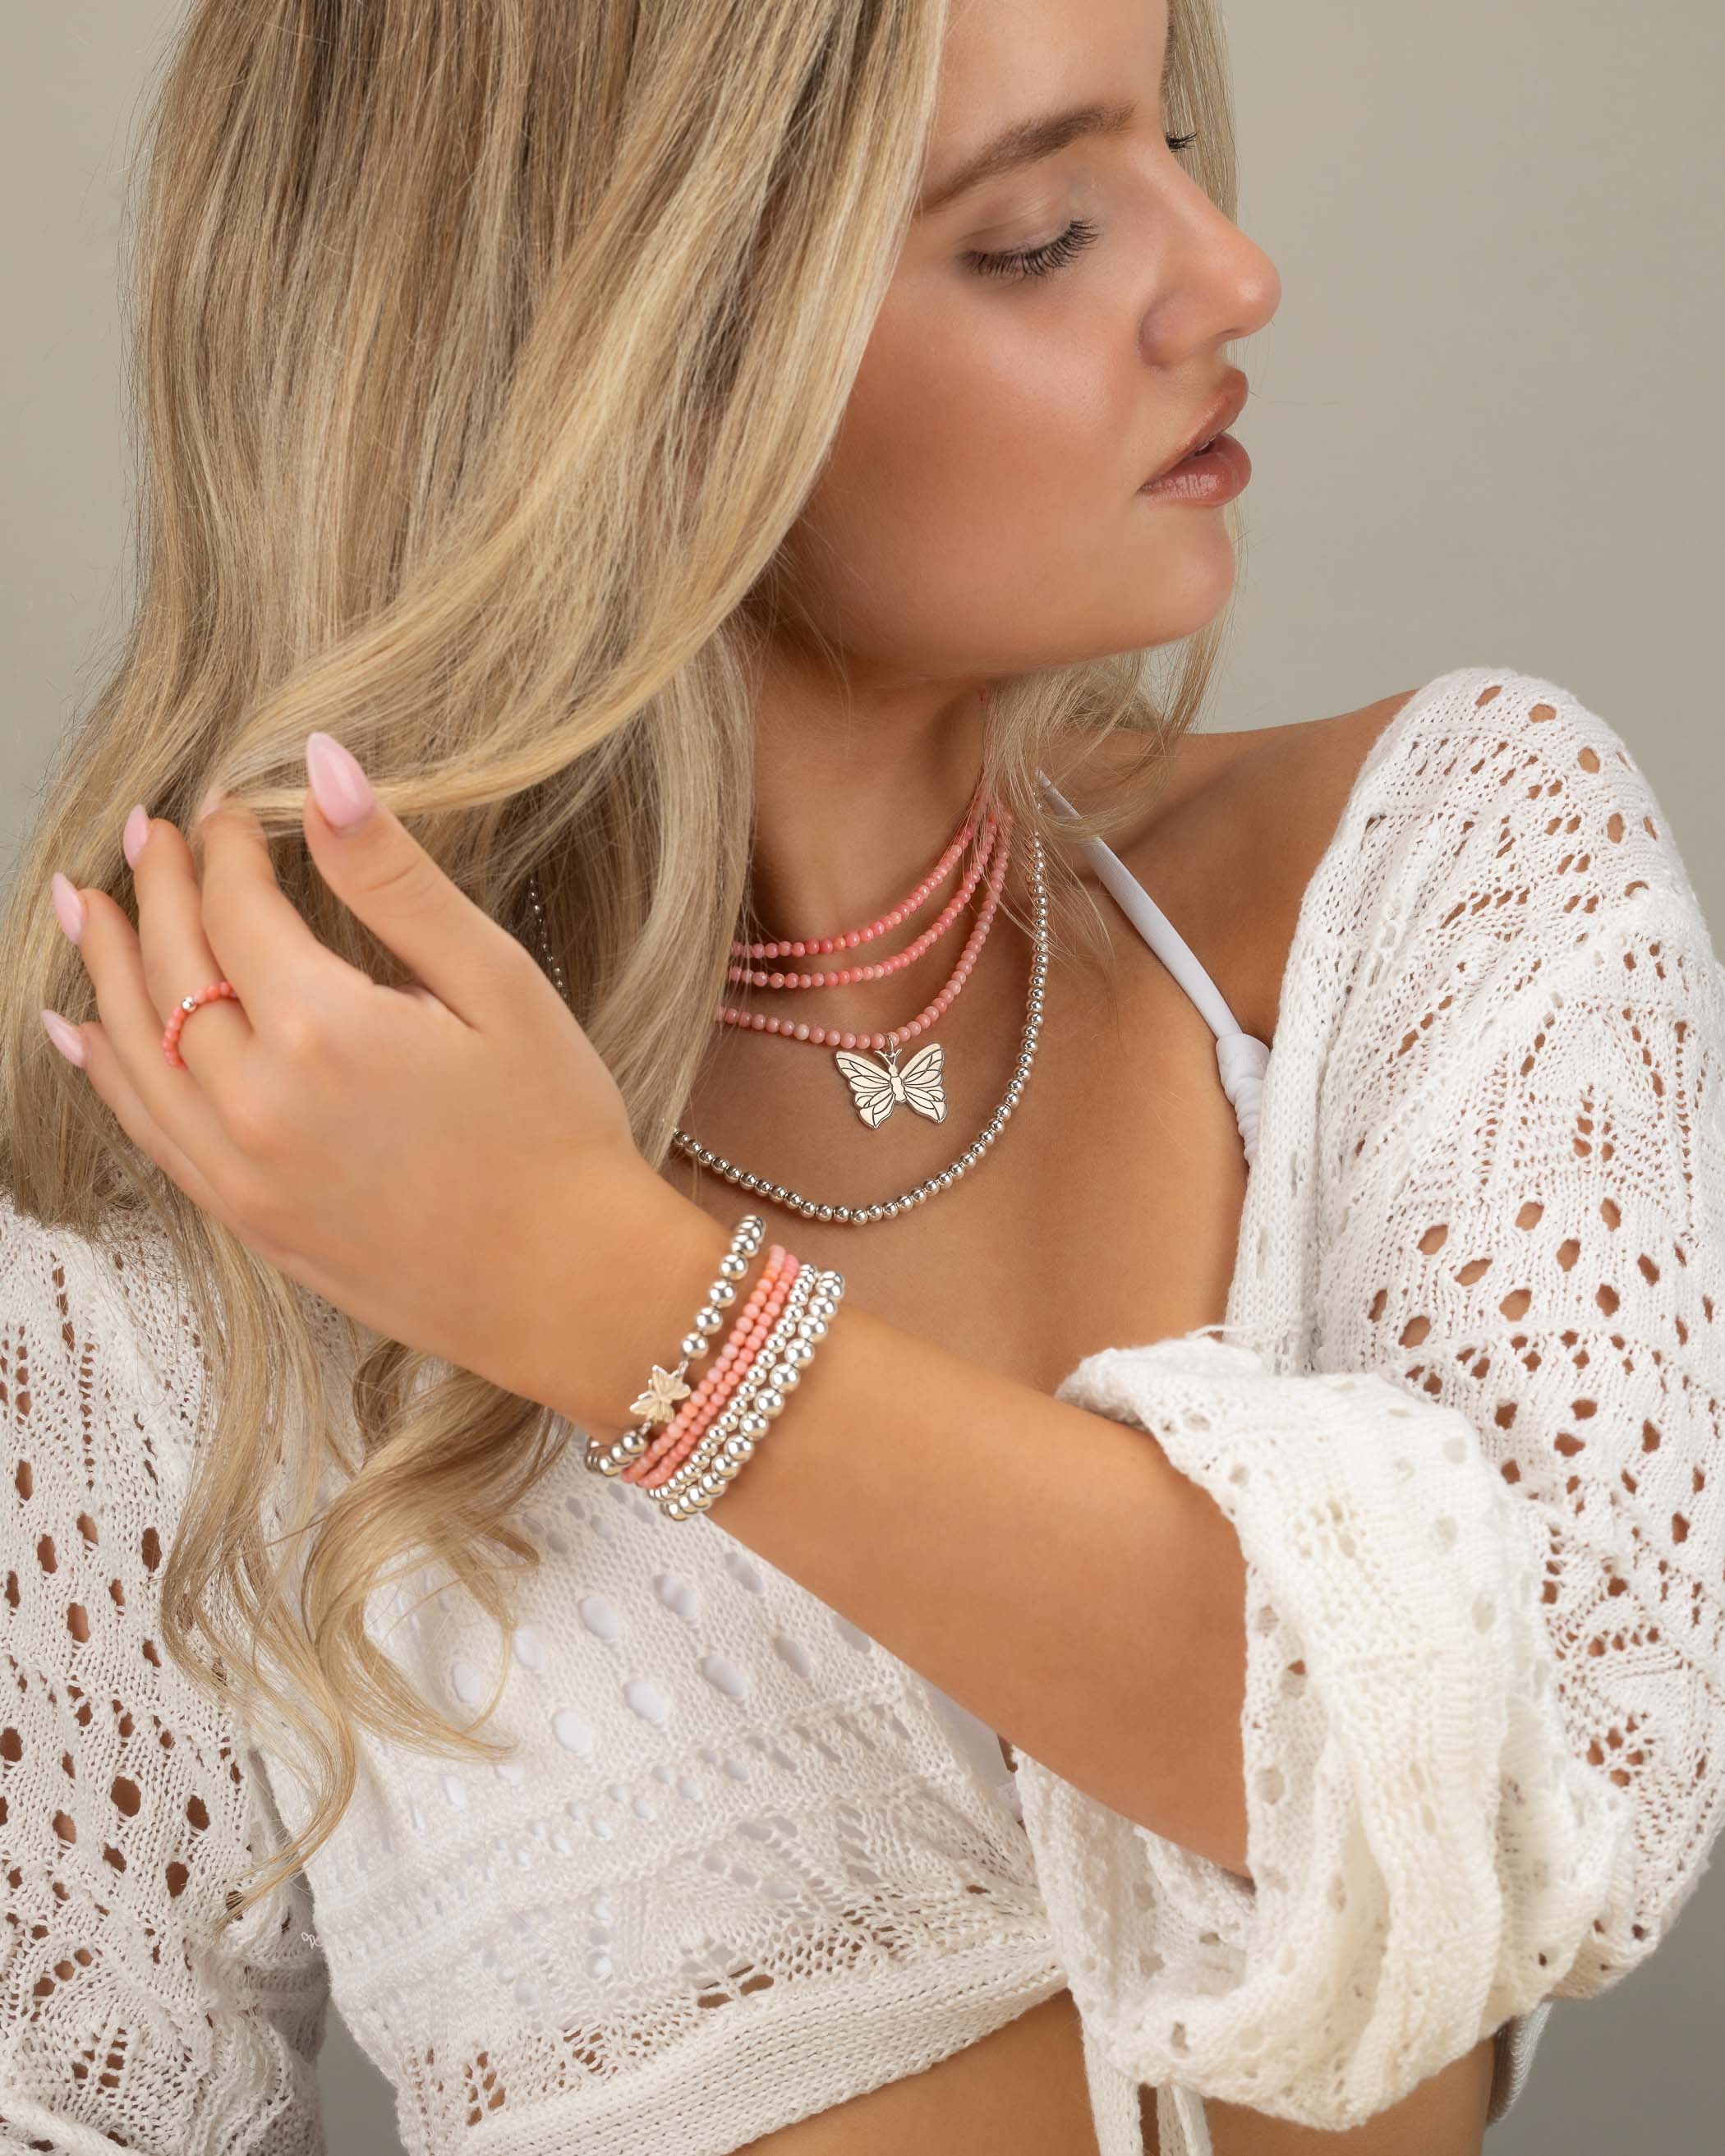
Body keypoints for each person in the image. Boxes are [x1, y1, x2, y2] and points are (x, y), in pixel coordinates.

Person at [3, 2, 1721, 2155]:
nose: (1230, 275)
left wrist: (605, 1294)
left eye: (1175, 150)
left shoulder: (1445, 876)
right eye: (1037, 233)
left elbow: (1557, 1792)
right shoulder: (233, 1191)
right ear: (628, 374)